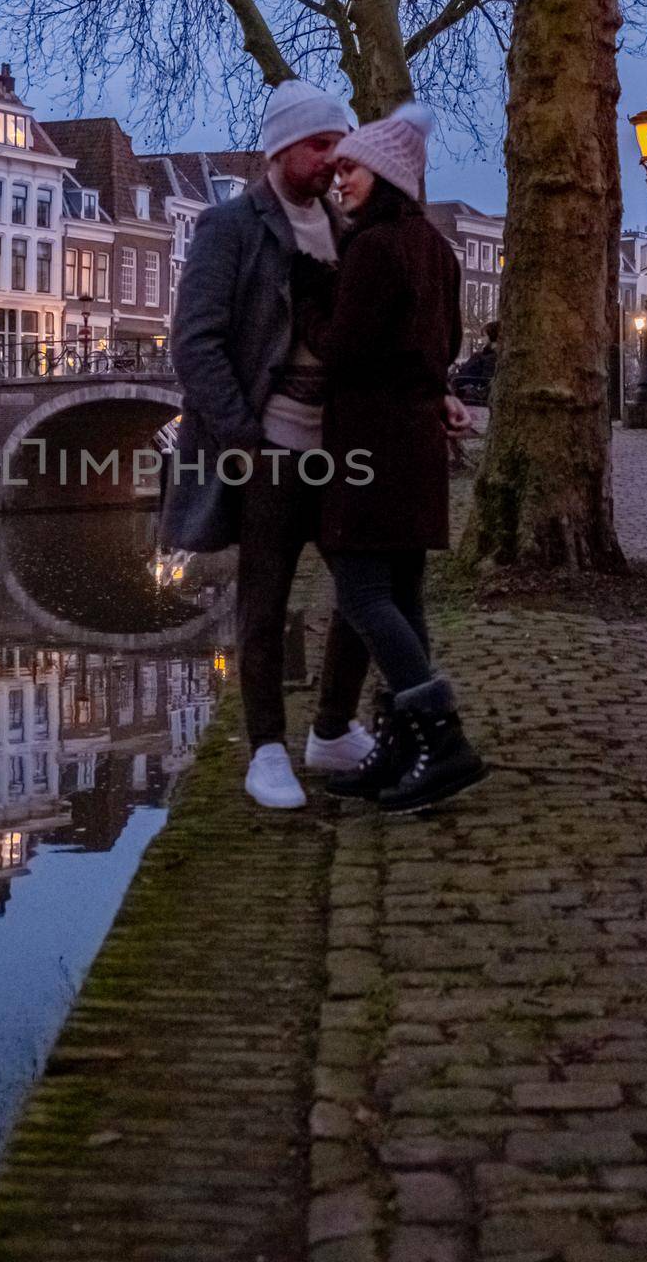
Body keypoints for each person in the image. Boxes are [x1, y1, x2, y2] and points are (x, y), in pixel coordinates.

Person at [164, 79, 376, 810]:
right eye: (321, 145)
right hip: (271, 445)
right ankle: (265, 749)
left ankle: (331, 727)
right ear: (283, 148)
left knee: (365, 588)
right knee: (263, 602)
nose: (333, 159)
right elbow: (194, 344)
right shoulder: (228, 227)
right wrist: (244, 440)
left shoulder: (347, 228)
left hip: (340, 445)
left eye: (339, 145)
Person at [303, 103, 487, 813]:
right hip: (414, 442)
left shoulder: (371, 250)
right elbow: (442, 347)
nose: (338, 180)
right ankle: (401, 747)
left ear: (381, 174)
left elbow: (340, 351)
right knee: (402, 594)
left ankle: (441, 740)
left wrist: (309, 297)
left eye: (348, 168)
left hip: (367, 442)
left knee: (360, 593)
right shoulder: (436, 250)